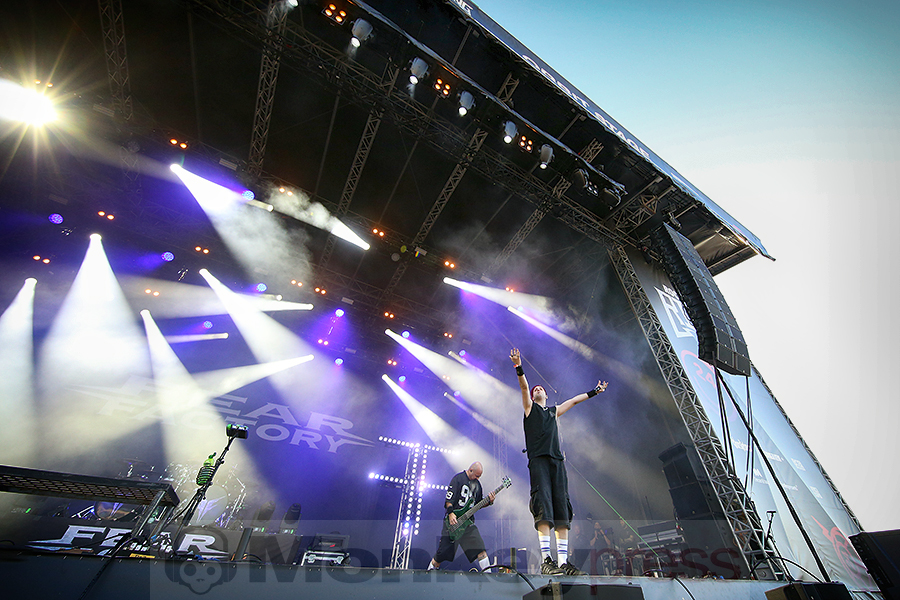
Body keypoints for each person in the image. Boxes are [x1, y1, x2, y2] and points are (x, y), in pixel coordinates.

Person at [510, 347, 608, 576]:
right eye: (536, 389)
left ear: (546, 395)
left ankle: (563, 562)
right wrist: (518, 365)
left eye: (541, 388)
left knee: (562, 509)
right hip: (539, 462)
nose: (538, 389)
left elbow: (573, 401)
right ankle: (547, 559)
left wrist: (594, 392)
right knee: (543, 506)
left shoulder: (553, 412)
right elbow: (524, 386)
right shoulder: (529, 409)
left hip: (557, 462)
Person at [428, 462, 497, 572]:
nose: (478, 478)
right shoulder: (458, 479)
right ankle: (429, 572)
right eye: (477, 475)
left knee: (480, 550)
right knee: (441, 555)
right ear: (470, 470)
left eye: (479, 476)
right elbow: (448, 500)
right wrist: (451, 514)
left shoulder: (478, 485)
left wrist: (489, 502)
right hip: (453, 523)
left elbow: (478, 504)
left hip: (468, 524)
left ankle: (489, 575)